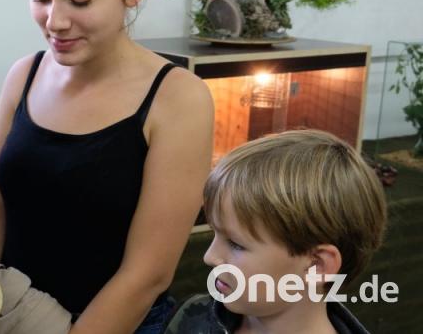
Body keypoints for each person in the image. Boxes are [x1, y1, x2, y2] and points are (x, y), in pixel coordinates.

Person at [0, 0, 215, 334]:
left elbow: (147, 276)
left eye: (79, 0)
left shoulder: (179, 99)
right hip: (11, 316)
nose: (55, 21)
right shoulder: (25, 75)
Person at [164, 129, 387, 334]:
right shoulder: (191, 317)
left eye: (236, 244)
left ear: (316, 266)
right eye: (216, 234)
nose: (210, 257)